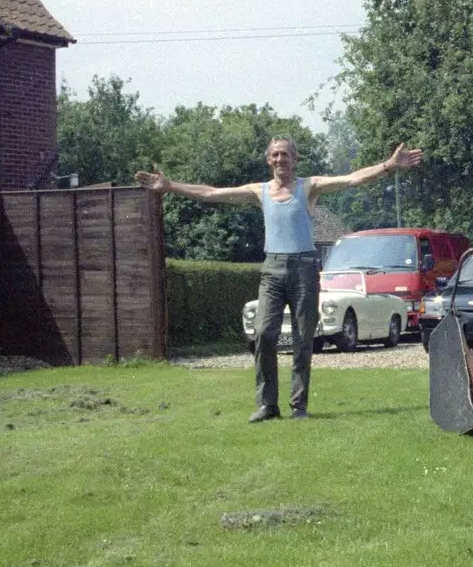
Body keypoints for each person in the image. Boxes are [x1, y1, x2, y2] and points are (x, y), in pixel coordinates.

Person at [136, 137, 422, 421]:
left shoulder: (309, 187)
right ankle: (268, 405)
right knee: (263, 333)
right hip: (272, 269)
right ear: (268, 160)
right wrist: (170, 186)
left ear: (294, 159)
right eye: (275, 155)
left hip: (304, 269)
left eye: (285, 154)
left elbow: (350, 180)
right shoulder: (259, 191)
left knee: (302, 339)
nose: (280, 159)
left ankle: (299, 406)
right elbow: (211, 193)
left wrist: (389, 165)